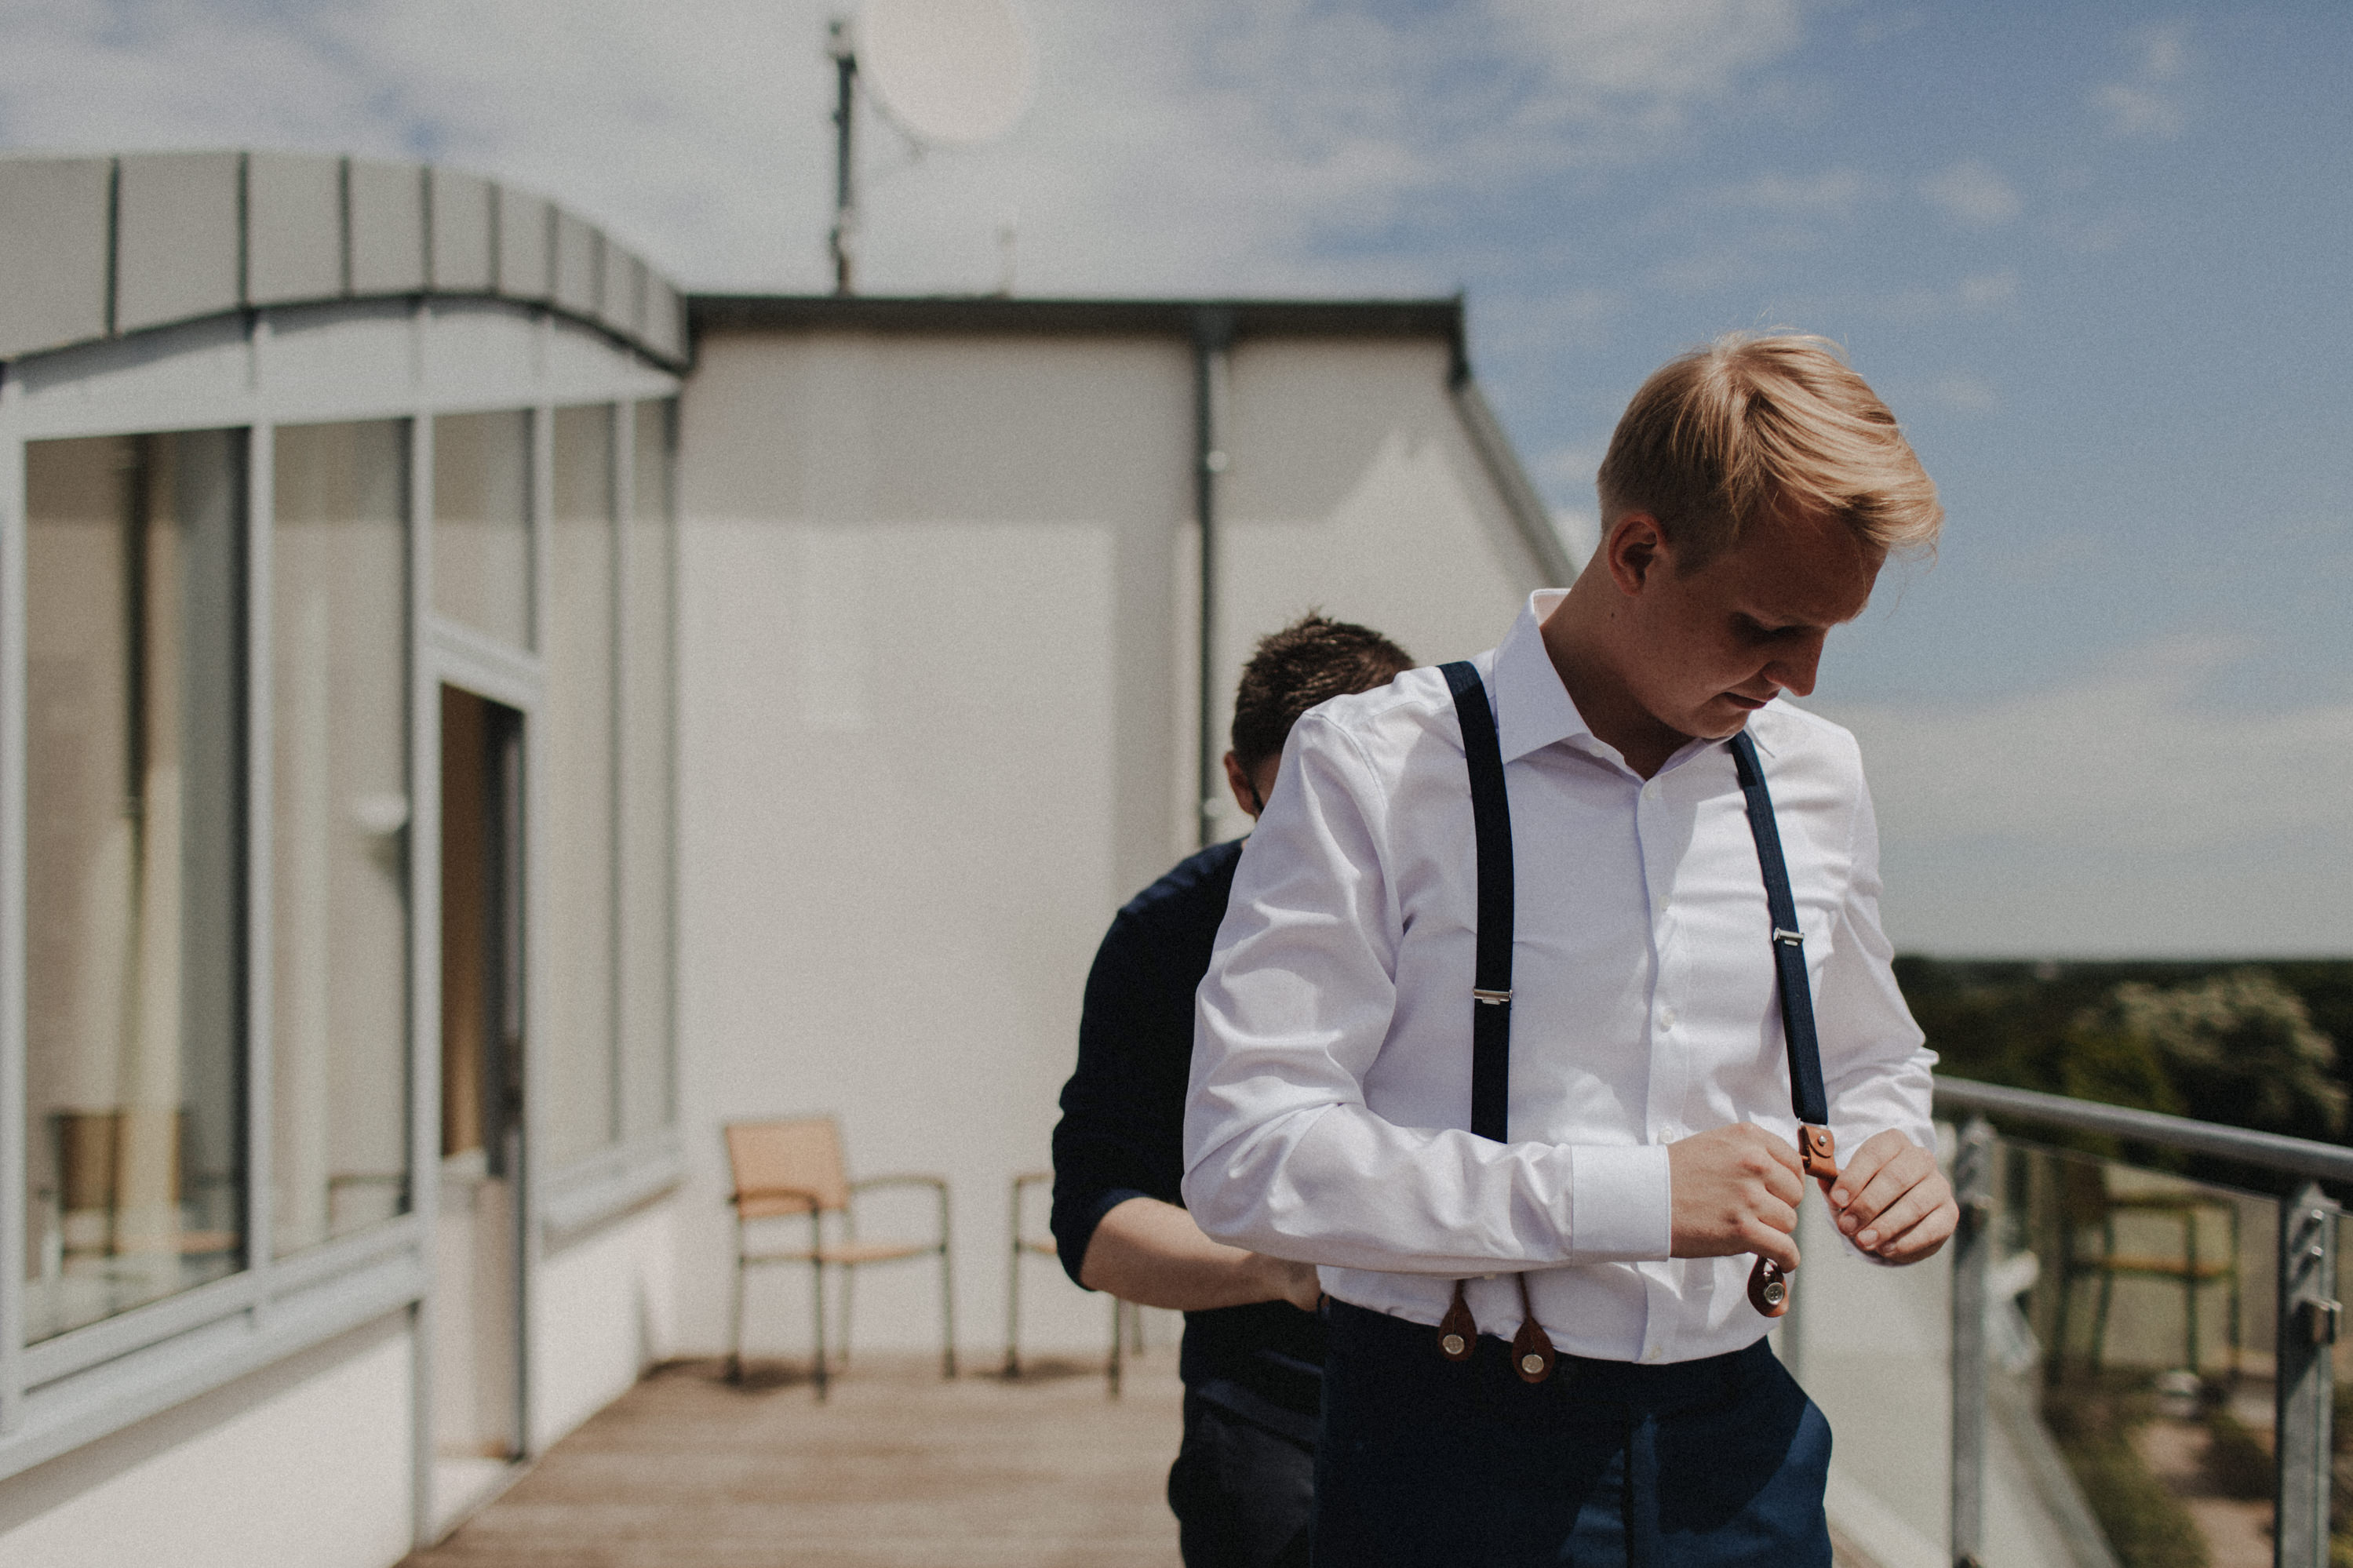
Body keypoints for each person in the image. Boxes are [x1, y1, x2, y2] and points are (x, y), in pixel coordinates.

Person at [1182, 333, 1959, 1566]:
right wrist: (1633, 1196)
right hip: (1447, 1452)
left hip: (1737, 1455)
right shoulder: (1376, 763)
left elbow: (1866, 1051)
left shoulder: (1815, 774)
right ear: (1637, 551)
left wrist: (1894, 1147)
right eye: (1766, 623)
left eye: (1827, 633)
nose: (1798, 676)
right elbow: (1246, 1155)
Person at [1052, 613, 1417, 1568]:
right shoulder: (1162, 938)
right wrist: (1276, 1269)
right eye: (1302, 808)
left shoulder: (1489, 922)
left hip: (1486, 1407)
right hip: (1270, 1409)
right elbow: (1094, 1225)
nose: (1339, 851)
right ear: (1238, 784)